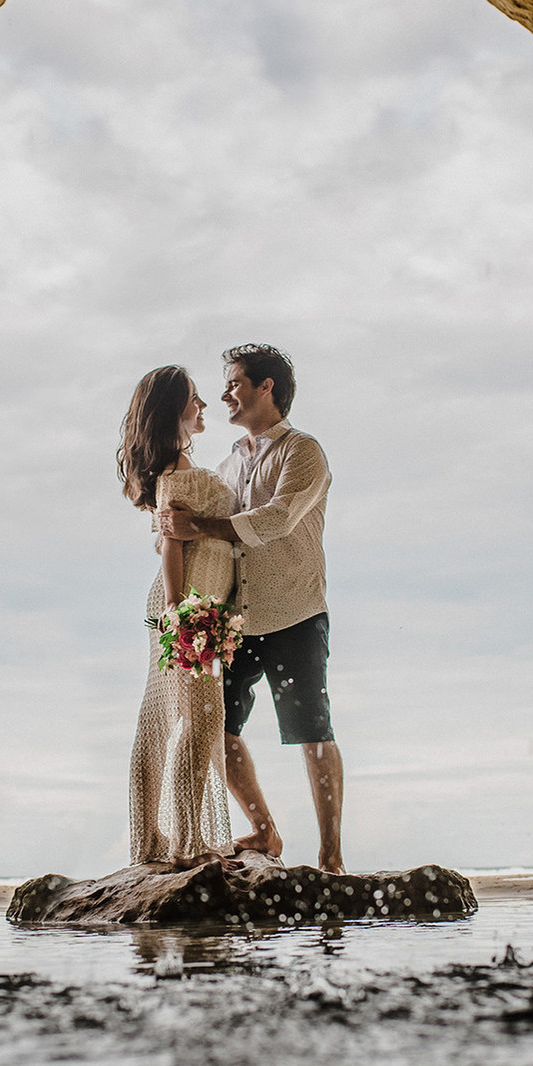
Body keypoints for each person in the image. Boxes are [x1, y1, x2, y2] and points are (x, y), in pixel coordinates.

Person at [157, 344, 344, 874]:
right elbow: (195, 532)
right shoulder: (226, 464)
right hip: (233, 620)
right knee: (217, 729)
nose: (224, 396)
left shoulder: (303, 451)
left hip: (296, 612)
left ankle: (331, 856)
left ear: (266, 386)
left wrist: (199, 525)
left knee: (313, 732)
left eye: (235, 383)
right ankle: (265, 831)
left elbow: (278, 518)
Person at [119, 365, 238, 868]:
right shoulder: (176, 467)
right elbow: (171, 541)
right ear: (174, 409)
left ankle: (155, 838)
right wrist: (178, 612)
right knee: (199, 718)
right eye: (195, 397)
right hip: (187, 605)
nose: (204, 405)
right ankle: (189, 844)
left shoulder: (178, 464)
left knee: (163, 719)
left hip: (189, 602)